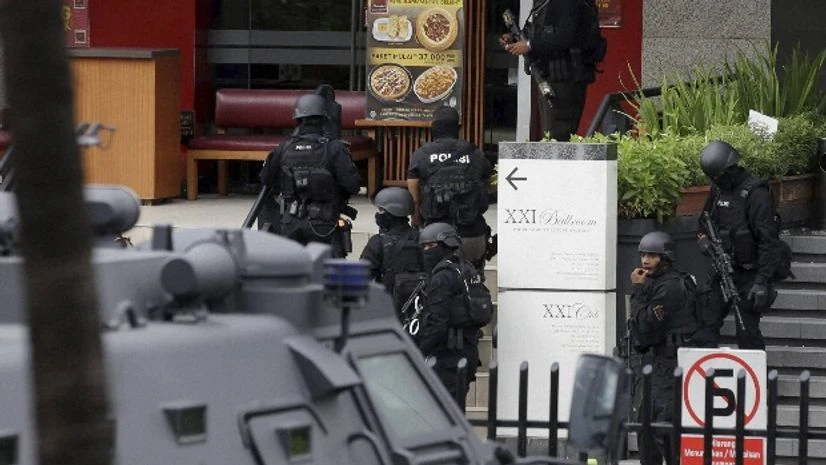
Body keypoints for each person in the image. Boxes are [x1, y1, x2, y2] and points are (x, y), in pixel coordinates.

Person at [694, 140, 782, 350]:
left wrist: (762, 282)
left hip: (749, 274)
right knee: (705, 326)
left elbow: (769, 241)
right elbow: (703, 222)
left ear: (729, 170)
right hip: (722, 270)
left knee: (747, 333)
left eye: (717, 177)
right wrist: (704, 241)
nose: (715, 182)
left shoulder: (756, 194)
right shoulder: (718, 191)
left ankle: (755, 382)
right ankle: (705, 379)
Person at [261, 94, 360, 257]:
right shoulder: (334, 148)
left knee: (293, 273)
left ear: (298, 118)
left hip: (291, 220)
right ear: (325, 118)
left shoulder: (284, 148)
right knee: (328, 273)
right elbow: (352, 184)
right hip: (324, 221)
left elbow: (266, 179)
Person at [630, 231, 698, 465]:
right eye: (644, 255)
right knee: (646, 425)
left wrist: (637, 292)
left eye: (653, 256)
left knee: (660, 427)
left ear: (666, 259)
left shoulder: (668, 288)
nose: (645, 260)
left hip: (668, 364)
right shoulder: (660, 283)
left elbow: (646, 326)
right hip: (660, 362)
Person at [407, 106, 492, 271]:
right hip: (473, 236)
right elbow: (488, 185)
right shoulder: (474, 153)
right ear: (458, 128)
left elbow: (414, 198)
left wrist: (417, 223)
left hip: (435, 238)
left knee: (437, 283)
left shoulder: (421, 154)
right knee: (473, 284)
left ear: (433, 129)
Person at [500, 0, 598, 141]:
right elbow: (542, 30)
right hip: (549, 76)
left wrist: (529, 45)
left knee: (557, 136)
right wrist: (515, 38)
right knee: (550, 135)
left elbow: (566, 37)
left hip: (565, 77)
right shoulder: (546, 3)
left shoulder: (569, 3)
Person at [416, 222, 488, 411]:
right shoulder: (467, 269)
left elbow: (437, 322)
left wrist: (418, 352)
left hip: (448, 356)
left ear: (444, 244)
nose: (425, 251)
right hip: (468, 350)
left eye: (429, 246)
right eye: (423, 246)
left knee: (445, 415)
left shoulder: (443, 276)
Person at [359, 187, 425, 319]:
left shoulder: (377, 242)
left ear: (392, 212)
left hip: (387, 309)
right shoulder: (422, 238)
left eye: (381, 210)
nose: (378, 214)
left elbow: (361, 276)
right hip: (419, 307)